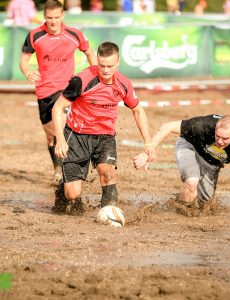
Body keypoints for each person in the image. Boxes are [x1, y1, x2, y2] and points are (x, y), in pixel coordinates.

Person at [51, 41, 155, 215]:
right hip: (77, 135)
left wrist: (148, 143)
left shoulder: (123, 83)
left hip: (105, 136)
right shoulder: (81, 80)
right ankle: (65, 187)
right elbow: (58, 107)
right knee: (72, 194)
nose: (105, 70)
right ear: (97, 61)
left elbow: (137, 111)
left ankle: (110, 213)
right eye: (101, 65)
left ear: (118, 62)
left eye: (110, 66)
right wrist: (60, 140)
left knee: (107, 172)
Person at [133, 114, 230, 216]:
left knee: (205, 207)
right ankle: (179, 214)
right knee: (192, 183)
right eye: (217, 136)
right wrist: (149, 150)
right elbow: (167, 126)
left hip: (211, 162)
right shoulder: (203, 125)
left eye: (225, 139)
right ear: (215, 129)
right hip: (190, 146)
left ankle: (177, 204)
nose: (220, 141)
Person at [19, 0, 97, 184]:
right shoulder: (34, 35)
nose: (53, 22)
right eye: (49, 18)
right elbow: (23, 59)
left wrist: (95, 76)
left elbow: (89, 53)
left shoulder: (74, 34)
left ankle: (71, 168)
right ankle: (57, 166)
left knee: (66, 128)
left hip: (66, 88)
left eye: (56, 17)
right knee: (51, 135)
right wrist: (27, 72)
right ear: (44, 17)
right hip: (45, 90)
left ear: (62, 16)